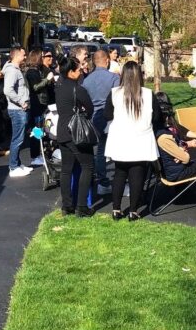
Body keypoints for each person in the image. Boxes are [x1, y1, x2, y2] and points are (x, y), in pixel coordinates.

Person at [104, 61, 159, 219]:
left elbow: (107, 114)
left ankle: (116, 209)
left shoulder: (115, 92)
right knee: (137, 174)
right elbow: (156, 117)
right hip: (141, 138)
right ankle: (133, 211)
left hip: (121, 138)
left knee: (120, 173)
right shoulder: (148, 94)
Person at [54, 52, 95, 217]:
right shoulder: (78, 89)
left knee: (66, 169)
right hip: (76, 132)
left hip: (62, 130)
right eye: (78, 70)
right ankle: (82, 206)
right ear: (71, 72)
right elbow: (90, 108)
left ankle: (67, 206)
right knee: (88, 166)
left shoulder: (59, 87)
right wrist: (83, 115)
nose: (81, 72)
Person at [83, 48, 120, 195]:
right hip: (112, 119)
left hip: (94, 119)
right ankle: (119, 181)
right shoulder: (113, 78)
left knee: (100, 152)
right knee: (116, 151)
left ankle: (102, 181)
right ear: (107, 60)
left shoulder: (87, 80)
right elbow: (118, 99)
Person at [2, 46, 33, 177]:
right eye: (23, 55)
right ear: (15, 56)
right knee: (17, 139)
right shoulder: (12, 71)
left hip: (20, 109)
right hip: (17, 110)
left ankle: (18, 164)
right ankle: (13, 167)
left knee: (19, 138)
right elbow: (7, 90)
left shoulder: (14, 69)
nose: (25, 57)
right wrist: (21, 102)